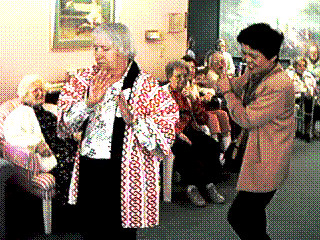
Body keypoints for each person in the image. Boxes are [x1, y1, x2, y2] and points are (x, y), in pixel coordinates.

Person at [56, 23, 179, 239]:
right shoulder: (84, 80)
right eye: (95, 48)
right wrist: (87, 103)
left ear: (122, 49)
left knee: (120, 235)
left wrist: (134, 120)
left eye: (105, 49)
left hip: (125, 174)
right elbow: (64, 127)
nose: (98, 55)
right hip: (89, 167)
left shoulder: (147, 86)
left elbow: (166, 137)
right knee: (89, 231)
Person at [216, 23, 295, 239]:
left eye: (253, 55)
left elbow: (246, 118)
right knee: (253, 215)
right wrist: (221, 81)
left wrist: (225, 91)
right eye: (243, 53)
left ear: (272, 57)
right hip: (257, 154)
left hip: (268, 158)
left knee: (239, 216)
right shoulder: (257, 72)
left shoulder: (279, 84)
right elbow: (235, 85)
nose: (247, 60)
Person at [3, 74, 78, 238]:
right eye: (34, 90)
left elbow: (65, 127)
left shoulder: (51, 108)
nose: (40, 93)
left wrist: (74, 135)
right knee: (69, 163)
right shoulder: (21, 112)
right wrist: (36, 145)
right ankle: (70, 212)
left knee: (87, 159)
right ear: (24, 95)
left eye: (42, 89)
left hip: (65, 145)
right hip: (50, 152)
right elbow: (11, 137)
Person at [165, 60, 225, 207]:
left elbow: (203, 118)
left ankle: (208, 184)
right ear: (169, 77)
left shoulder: (187, 94)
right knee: (186, 148)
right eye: (178, 77)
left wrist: (194, 101)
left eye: (185, 77)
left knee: (211, 145)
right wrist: (177, 132)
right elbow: (158, 119)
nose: (182, 81)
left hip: (190, 129)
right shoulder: (162, 94)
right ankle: (191, 187)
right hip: (171, 133)